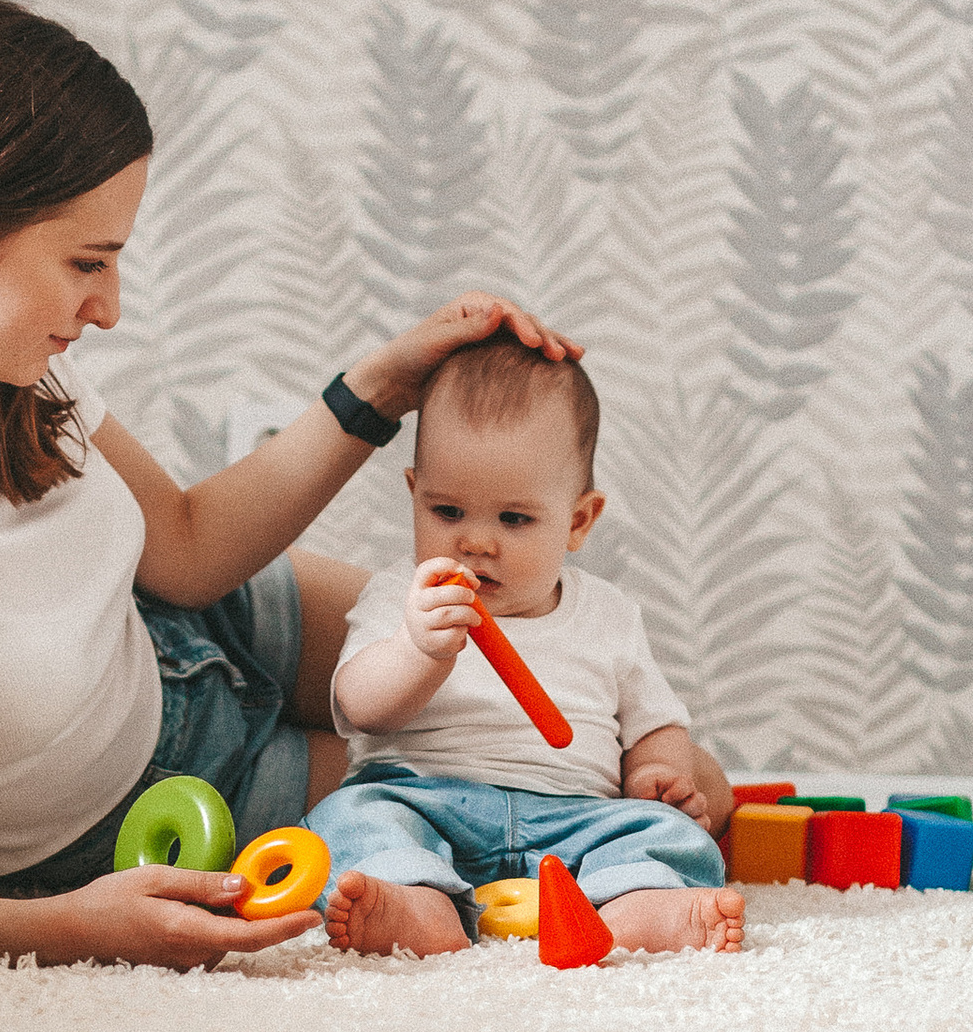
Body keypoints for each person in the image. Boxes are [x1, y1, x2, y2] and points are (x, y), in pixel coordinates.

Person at [0, 0, 577, 968]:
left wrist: (381, 385)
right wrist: (70, 926)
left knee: (555, 680)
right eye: (87, 263)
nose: (109, 309)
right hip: (158, 796)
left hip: (184, 622)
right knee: (530, 792)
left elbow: (187, 548)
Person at [313, 336, 744, 956]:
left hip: (577, 816)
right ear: (414, 494)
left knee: (668, 832)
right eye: (448, 511)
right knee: (348, 818)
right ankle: (414, 902)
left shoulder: (609, 614)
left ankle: (638, 907)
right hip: (425, 800)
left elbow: (656, 724)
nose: (475, 542)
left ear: (578, 521)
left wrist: (658, 774)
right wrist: (418, 650)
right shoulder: (401, 597)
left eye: (513, 519)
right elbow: (360, 707)